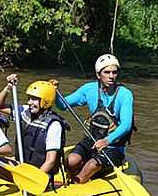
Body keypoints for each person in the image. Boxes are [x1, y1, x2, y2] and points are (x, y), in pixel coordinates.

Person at [55, 53, 134, 183]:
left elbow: (126, 124)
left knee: (92, 165)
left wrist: (107, 141)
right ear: (98, 74)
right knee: (71, 160)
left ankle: (80, 181)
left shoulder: (125, 94)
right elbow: (63, 105)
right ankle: (77, 178)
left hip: (113, 146)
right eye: (107, 72)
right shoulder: (89, 89)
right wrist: (55, 92)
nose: (111, 76)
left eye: (114, 72)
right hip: (91, 141)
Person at [0, 74, 69, 180]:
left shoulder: (54, 125)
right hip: (23, 168)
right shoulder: (24, 111)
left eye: (34, 99)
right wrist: (8, 87)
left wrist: (33, 178)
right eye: (29, 98)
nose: (29, 102)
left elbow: (50, 161)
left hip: (39, 174)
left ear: (46, 101)